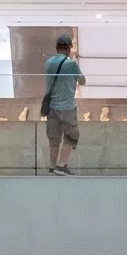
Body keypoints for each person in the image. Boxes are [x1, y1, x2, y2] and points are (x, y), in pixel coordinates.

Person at [42, 32, 85, 173]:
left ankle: (53, 166)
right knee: (72, 135)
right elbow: (82, 81)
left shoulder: (48, 63)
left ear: (57, 47)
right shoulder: (71, 64)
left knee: (54, 138)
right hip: (67, 107)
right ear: (69, 48)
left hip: (52, 107)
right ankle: (62, 165)